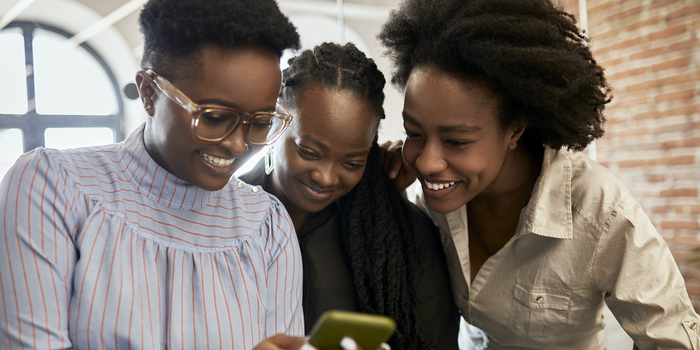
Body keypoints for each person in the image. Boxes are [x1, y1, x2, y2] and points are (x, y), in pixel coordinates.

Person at [378, 0, 700, 348]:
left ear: (514, 130)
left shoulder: (597, 209)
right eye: (414, 133)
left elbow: (673, 339)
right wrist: (383, 192)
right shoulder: (433, 197)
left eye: (456, 141)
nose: (426, 163)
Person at [0, 0, 312, 348]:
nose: (239, 145)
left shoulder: (266, 225)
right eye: (213, 117)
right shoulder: (53, 186)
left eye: (261, 123)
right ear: (149, 93)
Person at [238, 42, 460, 350]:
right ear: (276, 122)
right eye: (309, 152)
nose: (326, 177)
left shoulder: (401, 235)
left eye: (352, 163)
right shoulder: (219, 214)